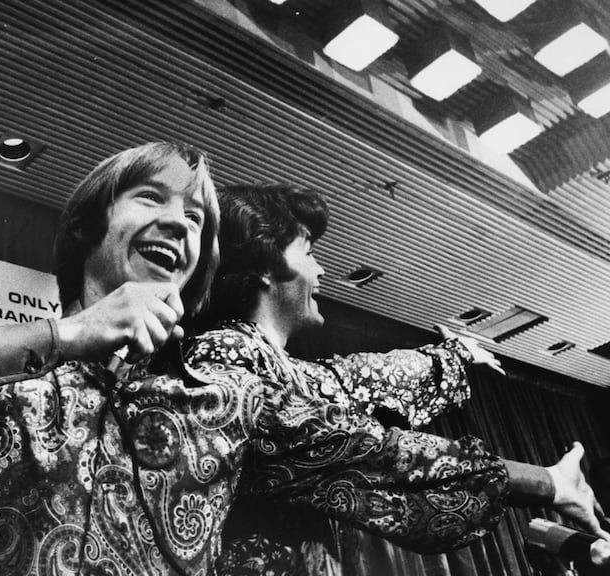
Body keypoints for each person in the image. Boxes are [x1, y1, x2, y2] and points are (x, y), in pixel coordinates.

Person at [0, 142, 605, 576]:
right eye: (152, 197)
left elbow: (377, 456)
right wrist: (63, 339)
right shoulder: (4, 372)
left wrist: (541, 481)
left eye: (199, 217)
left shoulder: (215, 395)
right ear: (85, 228)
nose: (181, 222)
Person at [195, 182, 607, 575]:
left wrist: (456, 355)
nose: (320, 268)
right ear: (267, 265)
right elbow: (362, 451)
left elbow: (360, 377)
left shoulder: (268, 363)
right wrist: (547, 482)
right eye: (308, 252)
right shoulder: (223, 353)